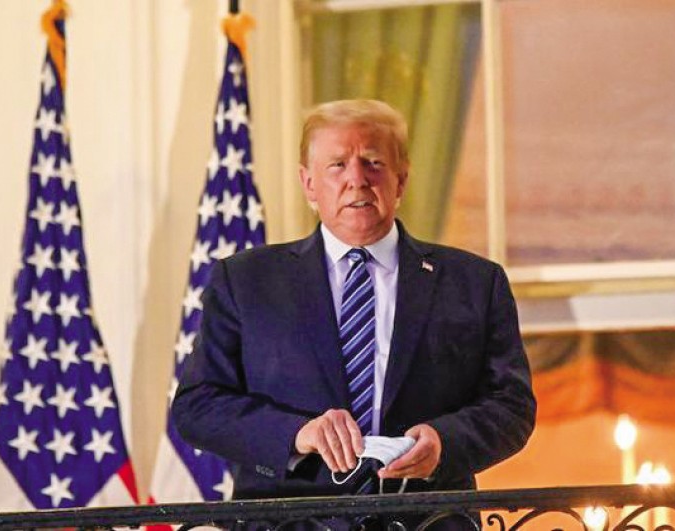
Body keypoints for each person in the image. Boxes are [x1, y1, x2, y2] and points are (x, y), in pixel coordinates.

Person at [172, 99, 536, 527]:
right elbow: (198, 405)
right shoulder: (246, 281)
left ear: (401, 180)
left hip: (428, 520)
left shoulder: (474, 282)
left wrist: (444, 443)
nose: (357, 180)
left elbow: (511, 405)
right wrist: (297, 434)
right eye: (337, 165)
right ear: (309, 184)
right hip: (290, 523)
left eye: (373, 163)